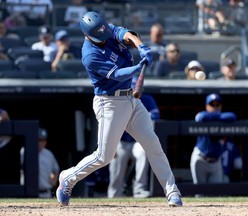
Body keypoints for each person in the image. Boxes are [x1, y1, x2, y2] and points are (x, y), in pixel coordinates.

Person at [56, 11, 183, 207]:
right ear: (87, 35)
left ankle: (172, 192)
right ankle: (68, 178)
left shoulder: (105, 30)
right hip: (109, 103)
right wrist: (138, 67)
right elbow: (117, 75)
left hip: (131, 99)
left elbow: (127, 34)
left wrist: (141, 47)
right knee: (103, 157)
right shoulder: (89, 55)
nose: (104, 37)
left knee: (153, 145)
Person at [108, 93, 160, 198]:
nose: (135, 90)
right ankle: (114, 193)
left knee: (143, 151)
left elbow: (155, 115)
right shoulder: (119, 99)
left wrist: (139, 115)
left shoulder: (147, 99)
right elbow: (110, 122)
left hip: (137, 141)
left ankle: (139, 189)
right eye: (132, 87)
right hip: (120, 141)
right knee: (117, 161)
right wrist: (110, 145)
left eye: (137, 87)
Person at [190, 93, 237, 184]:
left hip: (216, 161)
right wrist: (218, 116)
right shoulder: (203, 116)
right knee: (199, 193)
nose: (215, 107)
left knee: (215, 193)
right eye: (212, 104)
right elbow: (200, 117)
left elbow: (232, 116)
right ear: (207, 106)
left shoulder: (224, 118)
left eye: (217, 105)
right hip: (201, 159)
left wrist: (216, 117)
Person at [20, 128, 60, 198]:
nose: (40, 142)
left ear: (45, 141)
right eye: (38, 140)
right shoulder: (25, 151)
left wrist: (53, 181)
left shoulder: (49, 154)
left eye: (42, 140)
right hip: (28, 194)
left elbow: (56, 170)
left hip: (45, 193)